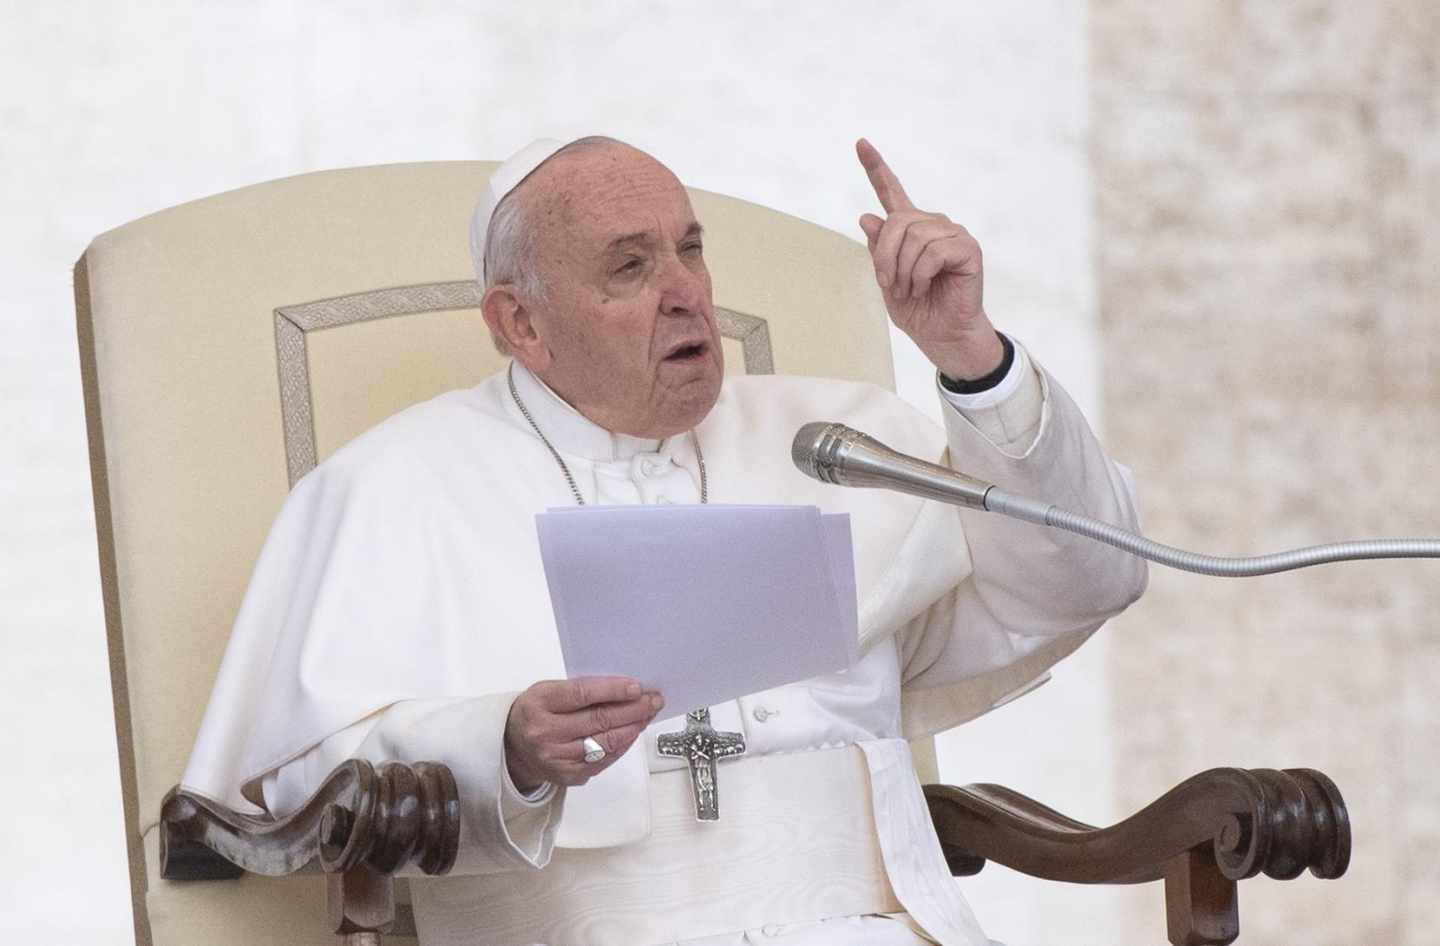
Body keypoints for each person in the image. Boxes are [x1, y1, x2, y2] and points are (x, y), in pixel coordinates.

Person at [181, 135, 1147, 946]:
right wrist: (501, 746)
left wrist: (970, 356)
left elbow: (1087, 577)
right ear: (521, 322)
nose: (688, 293)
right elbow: (303, 780)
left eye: (691, 249)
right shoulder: (390, 484)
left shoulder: (838, 440)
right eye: (631, 266)